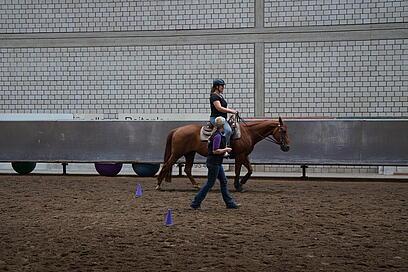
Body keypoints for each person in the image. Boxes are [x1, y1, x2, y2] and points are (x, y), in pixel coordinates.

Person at [191, 116, 240, 210]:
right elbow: (215, 151)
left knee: (223, 181)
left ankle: (229, 203)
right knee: (210, 183)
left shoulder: (217, 134)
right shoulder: (217, 136)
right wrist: (226, 149)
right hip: (214, 163)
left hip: (216, 162)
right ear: (222, 126)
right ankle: (195, 202)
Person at [209, 79, 238, 152]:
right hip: (216, 118)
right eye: (222, 86)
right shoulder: (214, 96)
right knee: (228, 130)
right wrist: (232, 111)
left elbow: (225, 107)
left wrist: (231, 114)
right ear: (216, 87)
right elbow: (219, 108)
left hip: (223, 118)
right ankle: (224, 147)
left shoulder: (220, 96)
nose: (223, 87)